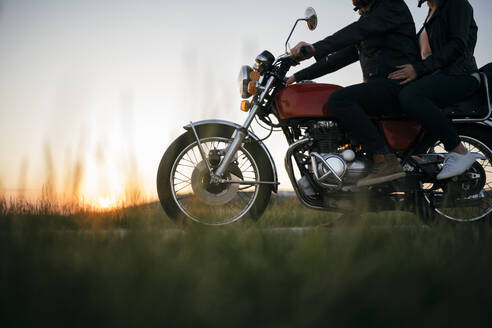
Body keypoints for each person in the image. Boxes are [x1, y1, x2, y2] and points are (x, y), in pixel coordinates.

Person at [289, 0, 420, 187]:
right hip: (382, 87)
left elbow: (356, 31)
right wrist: (296, 76)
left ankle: (384, 158)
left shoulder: (391, 7)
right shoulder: (369, 20)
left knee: (339, 100)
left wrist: (314, 48)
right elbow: (336, 59)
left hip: (397, 84)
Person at [388, 0, 480, 180]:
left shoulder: (456, 4)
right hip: (436, 77)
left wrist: (418, 70)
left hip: (460, 75)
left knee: (411, 96)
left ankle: (458, 150)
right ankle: (411, 165)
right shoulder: (430, 13)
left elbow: (457, 45)